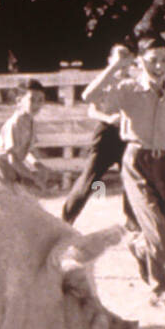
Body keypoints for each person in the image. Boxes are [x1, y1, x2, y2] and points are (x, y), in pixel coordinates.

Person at [82, 37, 165, 308]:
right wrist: (115, 67)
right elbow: (88, 97)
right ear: (140, 61)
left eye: (164, 60)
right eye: (152, 60)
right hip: (137, 164)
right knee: (158, 231)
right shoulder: (128, 89)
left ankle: (138, 245)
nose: (159, 66)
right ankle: (164, 293)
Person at [61, 42, 131, 224]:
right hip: (107, 135)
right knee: (90, 179)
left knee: (132, 180)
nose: (123, 61)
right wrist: (109, 119)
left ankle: (133, 223)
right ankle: (66, 219)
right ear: (110, 59)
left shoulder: (134, 82)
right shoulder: (104, 82)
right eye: (119, 56)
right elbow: (90, 105)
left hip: (129, 135)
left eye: (126, 56)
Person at [0, 81, 53, 192]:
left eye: (40, 100)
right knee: (3, 204)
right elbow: (12, 159)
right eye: (32, 100)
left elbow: (27, 151)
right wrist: (32, 177)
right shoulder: (14, 124)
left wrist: (37, 164)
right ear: (19, 101)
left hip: (13, 169)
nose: (36, 105)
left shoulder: (31, 122)